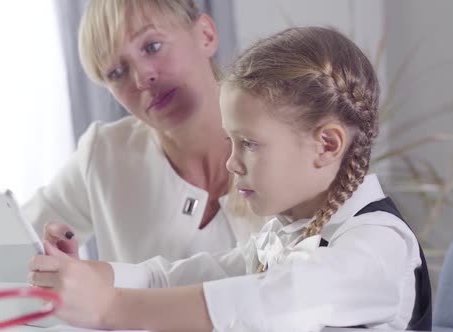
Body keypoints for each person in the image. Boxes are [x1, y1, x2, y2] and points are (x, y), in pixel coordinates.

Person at [28, 27, 432, 331]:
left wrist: (110, 307)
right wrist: (94, 277)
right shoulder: (285, 233)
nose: (231, 164)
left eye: (250, 144)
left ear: (326, 144)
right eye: (231, 142)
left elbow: (276, 301)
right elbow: (168, 277)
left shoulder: (377, 246)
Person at [0, 0, 263, 320]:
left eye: (153, 46)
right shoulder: (106, 154)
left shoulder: (290, 135)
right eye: (117, 72)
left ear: (206, 34)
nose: (143, 77)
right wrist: (60, 282)